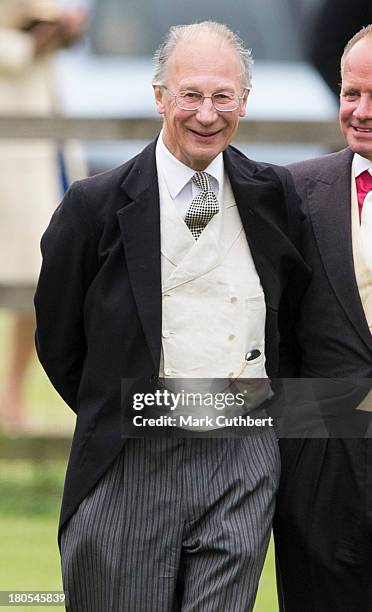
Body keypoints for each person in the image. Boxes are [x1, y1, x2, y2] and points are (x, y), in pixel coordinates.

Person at [35, 21, 309, 611]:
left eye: (223, 97)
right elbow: (59, 343)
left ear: (245, 101)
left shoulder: (275, 194)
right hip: (132, 456)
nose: (206, 114)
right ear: (160, 96)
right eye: (191, 94)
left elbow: (293, 319)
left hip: (243, 454)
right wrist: (125, 408)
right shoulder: (94, 205)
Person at [274, 25, 372, 612]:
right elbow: (275, 338)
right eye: (350, 93)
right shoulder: (295, 192)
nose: (360, 112)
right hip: (321, 483)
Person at [0, 0, 86, 430]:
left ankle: (11, 395)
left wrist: (63, 31)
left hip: (42, 137)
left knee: (43, 271)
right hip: (9, 139)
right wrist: (27, 44)